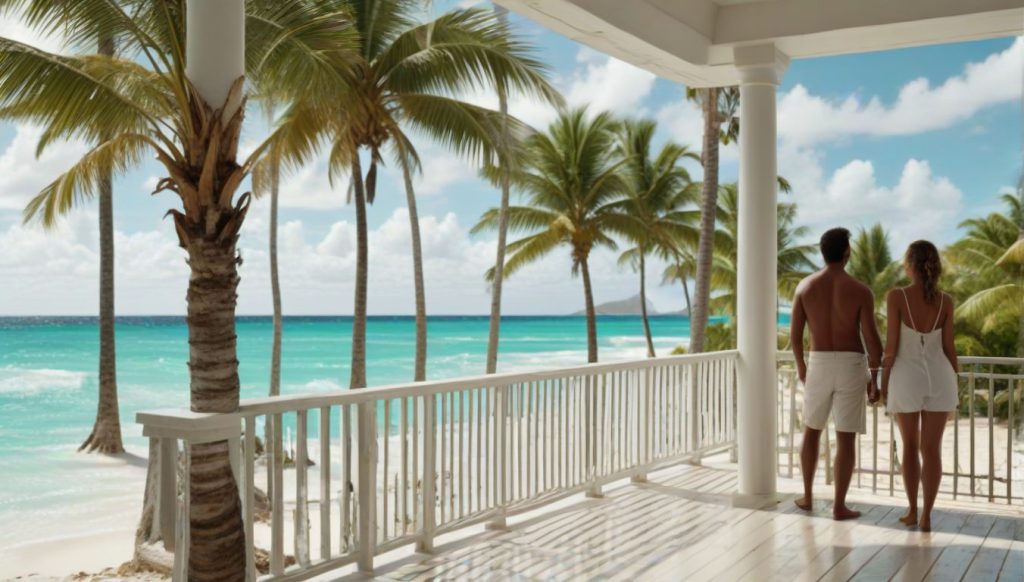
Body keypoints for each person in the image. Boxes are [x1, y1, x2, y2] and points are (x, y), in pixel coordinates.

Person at [791, 227, 883, 520]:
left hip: (817, 362)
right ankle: (839, 506)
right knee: (845, 438)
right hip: (850, 364)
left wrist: (802, 366)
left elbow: (795, 336)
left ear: (823, 253)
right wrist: (875, 378)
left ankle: (807, 496)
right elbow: (872, 341)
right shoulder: (860, 291)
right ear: (847, 253)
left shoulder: (805, 287)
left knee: (812, 429)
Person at [882, 240, 959, 532]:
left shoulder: (896, 297)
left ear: (910, 264)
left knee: (910, 445)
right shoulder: (946, 301)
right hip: (941, 376)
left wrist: (882, 382)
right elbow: (949, 349)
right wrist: (957, 380)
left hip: (906, 376)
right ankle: (927, 515)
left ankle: (913, 510)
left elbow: (891, 348)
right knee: (933, 449)